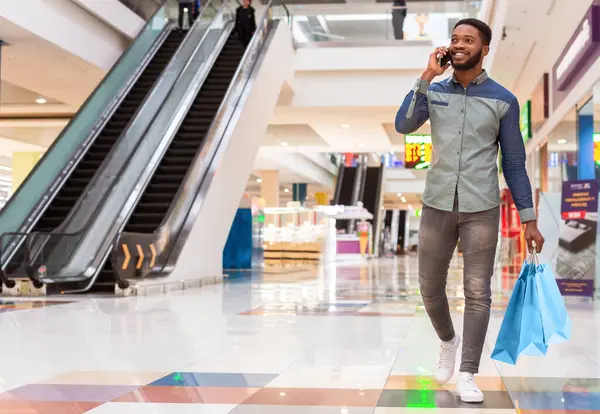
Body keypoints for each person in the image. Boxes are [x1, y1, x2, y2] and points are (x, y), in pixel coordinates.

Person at [395, 19, 545, 403]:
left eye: (468, 40)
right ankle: (448, 340)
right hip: (436, 203)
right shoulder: (436, 90)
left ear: (484, 49)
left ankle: (467, 372)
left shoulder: (503, 100)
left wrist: (529, 218)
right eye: (455, 39)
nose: (459, 45)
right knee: (428, 287)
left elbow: (513, 163)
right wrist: (428, 74)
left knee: (477, 291)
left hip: (482, 207)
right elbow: (404, 124)